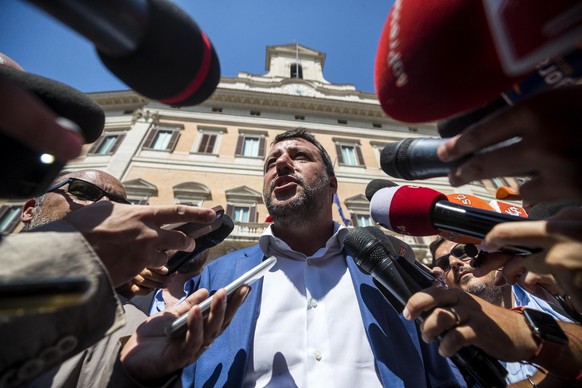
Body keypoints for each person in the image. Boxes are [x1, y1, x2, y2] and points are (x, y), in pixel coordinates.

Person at [181, 128, 465, 387]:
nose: (281, 164)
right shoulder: (218, 276)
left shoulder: (391, 264)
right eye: (270, 163)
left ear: (332, 184)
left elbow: (444, 370)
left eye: (300, 156)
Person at [16, 169, 248, 387]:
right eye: (84, 191)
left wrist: (135, 376)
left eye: (119, 205)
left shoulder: (134, 324)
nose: (106, 207)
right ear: (29, 210)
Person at [431, 237, 575, 385]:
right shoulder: (463, 344)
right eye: (443, 264)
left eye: (462, 251)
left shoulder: (543, 287)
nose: (453, 262)